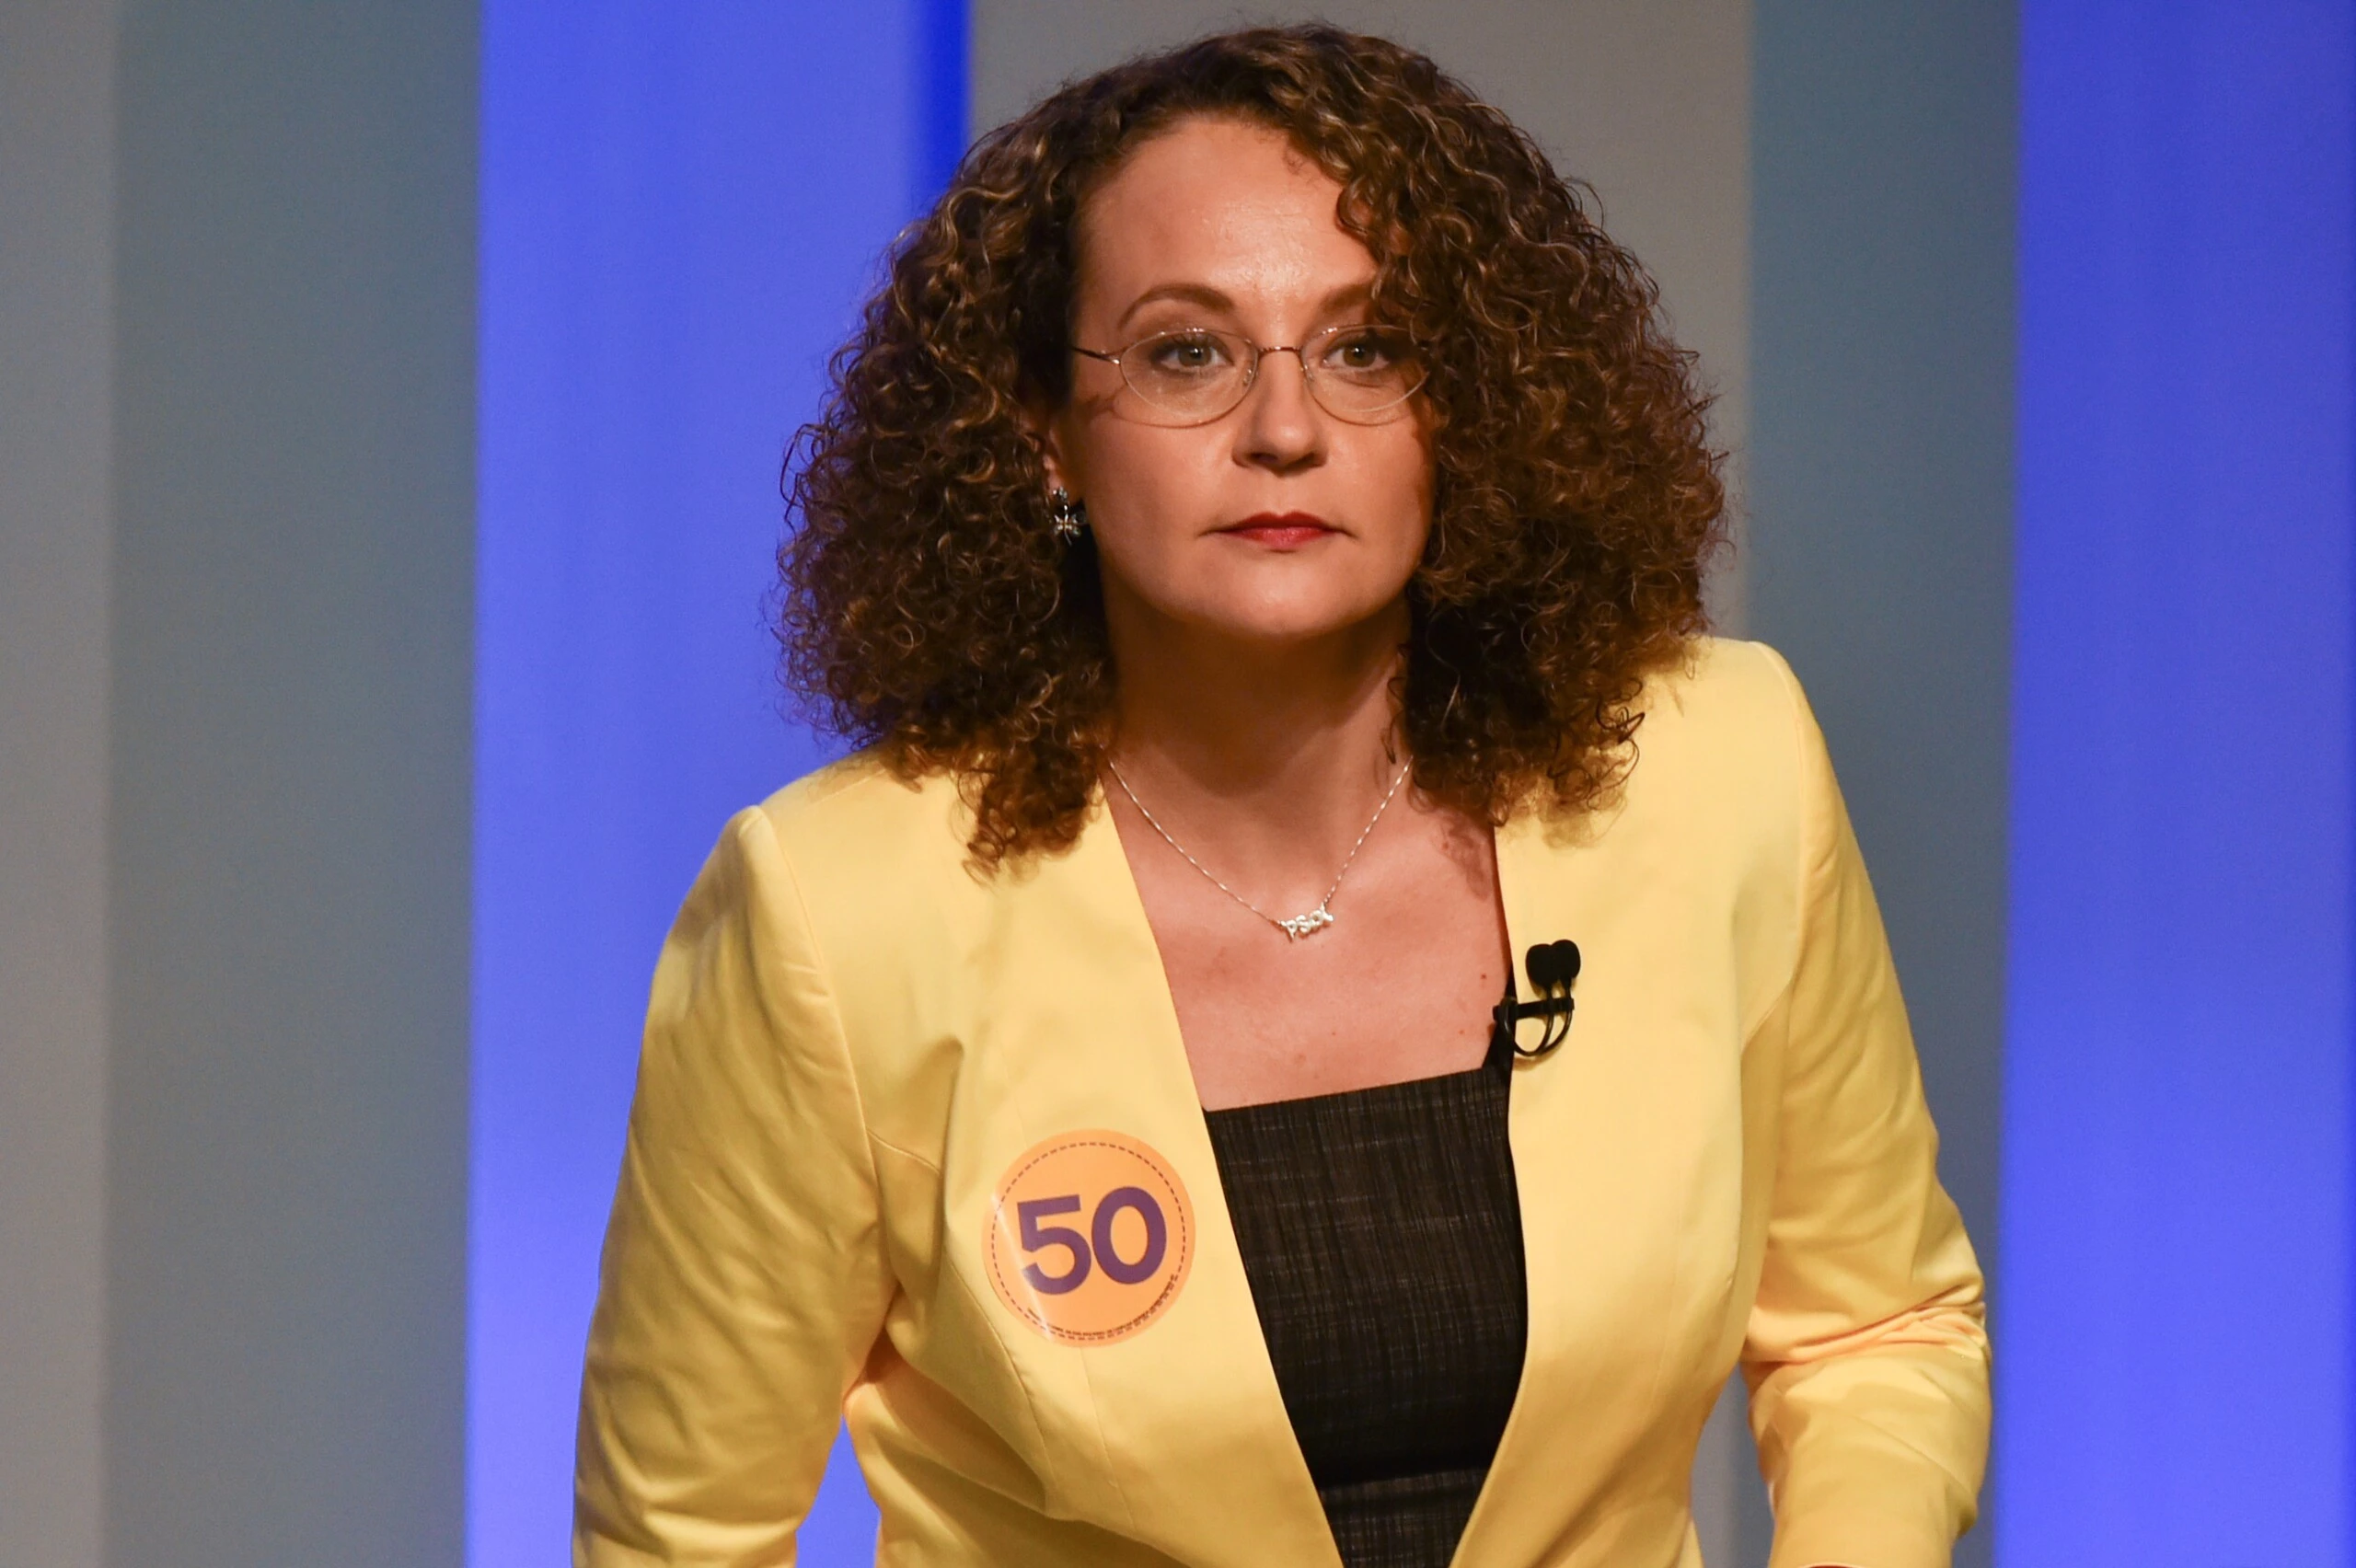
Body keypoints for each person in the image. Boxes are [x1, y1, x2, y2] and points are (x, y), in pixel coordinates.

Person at [572, 24, 1989, 1568]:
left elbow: (1878, 1330)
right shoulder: (831, 915)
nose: (1287, 430)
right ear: (1043, 429)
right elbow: (680, 1540)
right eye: (1188, 351)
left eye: (1369, 346)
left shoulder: (1722, 769)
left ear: (1468, 407)